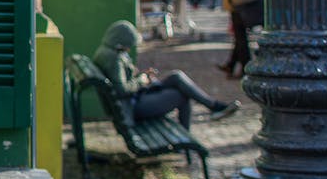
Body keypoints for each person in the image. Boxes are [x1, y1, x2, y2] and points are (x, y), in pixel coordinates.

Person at [93, 20, 239, 127]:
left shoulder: (109, 52)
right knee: (181, 95)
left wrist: (141, 77)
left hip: (136, 97)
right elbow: (121, 89)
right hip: (132, 106)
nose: (129, 49)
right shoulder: (114, 58)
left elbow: (122, 83)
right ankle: (188, 136)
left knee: (176, 76)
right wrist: (142, 80)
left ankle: (213, 106)